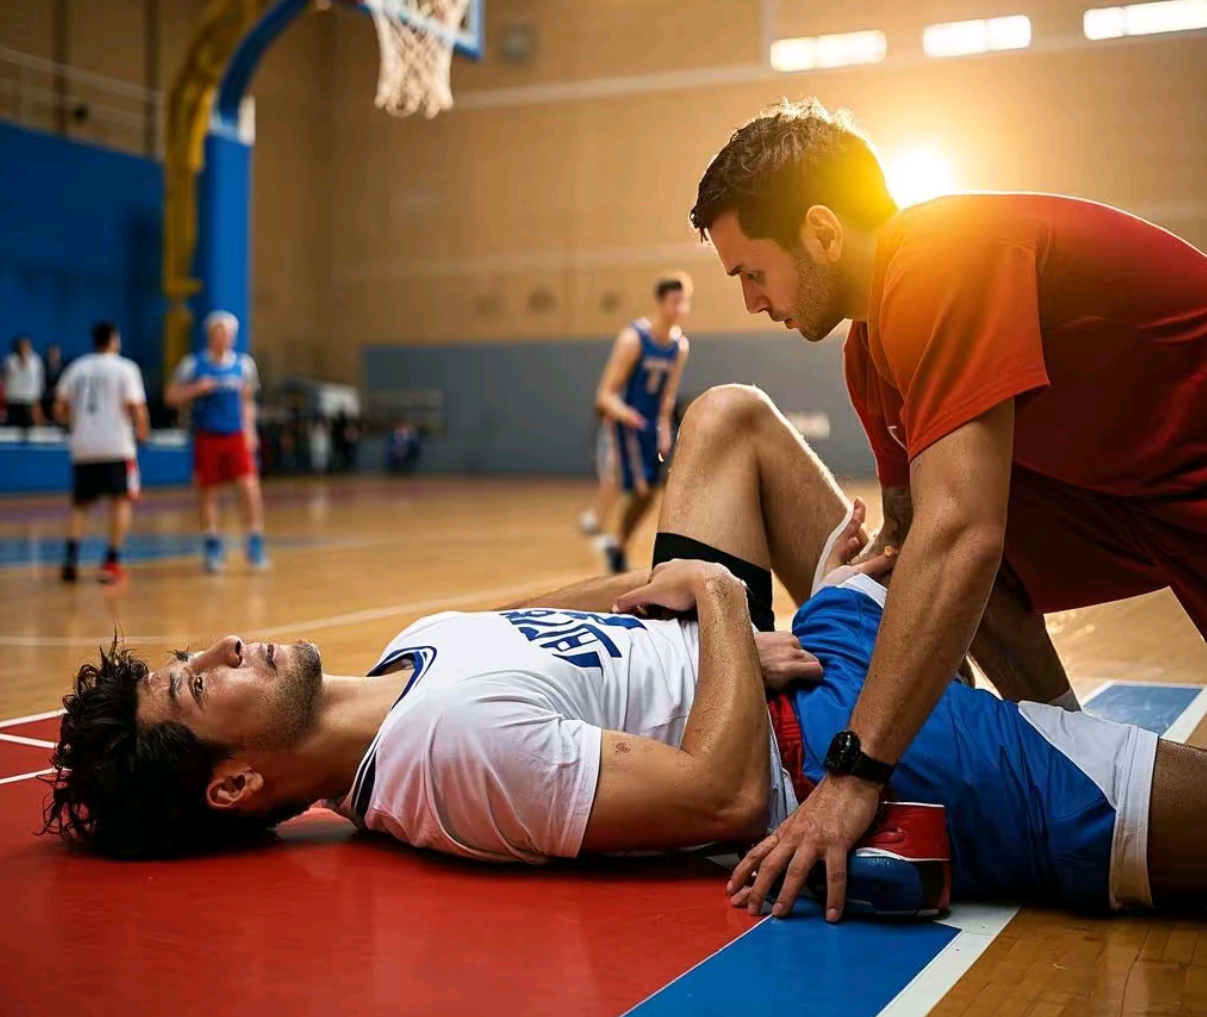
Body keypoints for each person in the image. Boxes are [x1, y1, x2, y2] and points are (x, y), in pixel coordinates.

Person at [43, 385, 1207, 920]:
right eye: (198, 682)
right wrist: (718, 608)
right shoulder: (445, 757)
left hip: (787, 652)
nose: (225, 645)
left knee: (733, 420)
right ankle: (1051, 733)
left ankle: (1027, 684)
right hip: (824, 747)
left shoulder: (413, 654)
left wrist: (707, 603)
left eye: (197, 654)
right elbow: (720, 794)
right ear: (236, 783)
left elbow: (573, 608)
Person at [689, 97, 1207, 916]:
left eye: (752, 272)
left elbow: (960, 536)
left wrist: (853, 773)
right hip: (1146, 502)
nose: (752, 300)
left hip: (1164, 487)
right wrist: (841, 586)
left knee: (958, 539)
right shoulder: (868, 355)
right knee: (945, 552)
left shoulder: (938, 255)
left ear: (821, 231)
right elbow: (912, 542)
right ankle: (1066, 736)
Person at [580, 273, 692, 573]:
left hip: (652, 426)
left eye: (685, 301)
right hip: (627, 424)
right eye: (675, 301)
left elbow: (668, 395)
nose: (681, 307)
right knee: (640, 489)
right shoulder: (633, 339)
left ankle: (618, 545)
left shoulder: (679, 345)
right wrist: (625, 414)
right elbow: (605, 394)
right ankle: (610, 537)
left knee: (651, 492)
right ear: (660, 302)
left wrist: (665, 429)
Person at [166, 311, 267, 572]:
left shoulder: (243, 365)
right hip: (207, 435)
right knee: (208, 491)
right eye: (220, 333)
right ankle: (212, 544)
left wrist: (250, 431)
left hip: (235, 434)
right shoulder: (193, 364)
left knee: (249, 488)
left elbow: (247, 402)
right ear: (211, 335)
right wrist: (195, 390)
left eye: (229, 334)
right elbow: (171, 396)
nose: (225, 338)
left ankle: (254, 539)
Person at [54, 323, 149, 584]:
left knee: (80, 504)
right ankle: (111, 562)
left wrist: (76, 425)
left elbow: (59, 408)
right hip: (116, 445)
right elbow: (137, 407)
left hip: (83, 446)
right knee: (121, 501)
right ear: (114, 339)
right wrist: (143, 433)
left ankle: (71, 559)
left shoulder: (77, 368)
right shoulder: (126, 368)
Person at [4, 335, 45, 431]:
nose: (24, 348)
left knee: (30, 428)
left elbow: (39, 381)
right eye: (22, 346)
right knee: (12, 429)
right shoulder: (10, 361)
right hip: (14, 401)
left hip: (30, 401)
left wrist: (37, 400)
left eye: (26, 346)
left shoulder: (36, 361)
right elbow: (6, 380)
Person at [41, 343, 65, 425]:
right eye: (52, 354)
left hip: (60, 396)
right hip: (46, 398)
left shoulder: (65, 368)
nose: (54, 356)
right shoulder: (43, 368)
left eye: (56, 353)